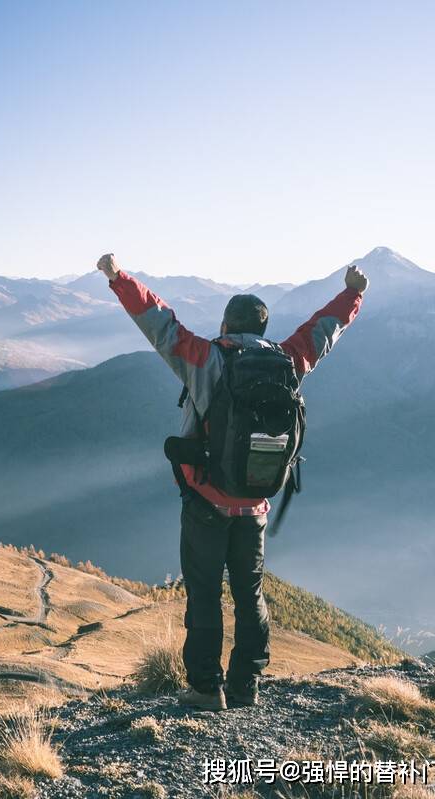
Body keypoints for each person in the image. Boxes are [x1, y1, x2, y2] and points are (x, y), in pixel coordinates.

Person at [95, 253, 368, 711]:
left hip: (206, 499)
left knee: (204, 593)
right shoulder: (289, 359)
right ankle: (246, 685)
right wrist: (354, 292)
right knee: (250, 592)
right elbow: (325, 329)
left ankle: (205, 688)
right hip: (257, 501)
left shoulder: (205, 358)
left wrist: (117, 277)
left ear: (225, 325)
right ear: (262, 329)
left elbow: (158, 321)